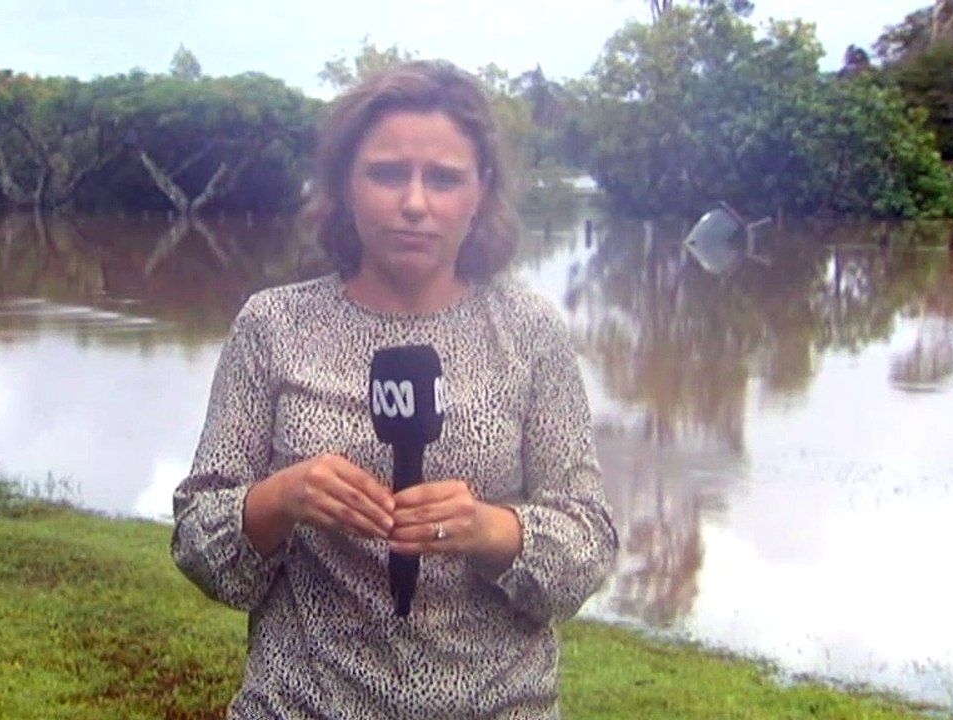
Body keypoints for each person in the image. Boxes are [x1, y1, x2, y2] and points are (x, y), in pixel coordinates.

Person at [171, 59, 618, 719]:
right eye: (386, 173)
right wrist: (282, 497)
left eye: (443, 178)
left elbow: (588, 548)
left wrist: (488, 529)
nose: (415, 203)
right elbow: (200, 544)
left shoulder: (531, 333)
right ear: (345, 185)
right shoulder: (272, 326)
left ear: (481, 191)